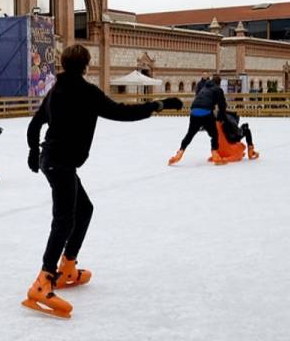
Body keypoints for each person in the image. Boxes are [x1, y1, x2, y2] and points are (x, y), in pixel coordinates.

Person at [23, 44, 182, 318]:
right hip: (60, 164)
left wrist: (33, 151)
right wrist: (159, 104)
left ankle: (68, 266)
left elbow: (35, 124)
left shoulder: (56, 91)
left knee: (84, 210)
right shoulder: (86, 93)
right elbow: (123, 112)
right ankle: (43, 280)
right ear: (86, 66)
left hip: (54, 161)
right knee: (64, 221)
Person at [169, 75, 228, 166]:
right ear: (219, 83)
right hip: (206, 112)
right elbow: (222, 105)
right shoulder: (218, 89)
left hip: (194, 111)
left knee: (190, 134)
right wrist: (221, 119)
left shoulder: (204, 87)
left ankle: (180, 152)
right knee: (214, 134)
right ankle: (215, 154)